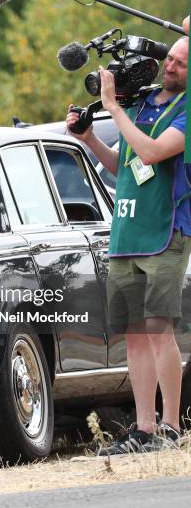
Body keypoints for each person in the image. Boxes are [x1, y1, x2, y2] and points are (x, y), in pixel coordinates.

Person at [66, 35, 190, 455]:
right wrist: (89, 138)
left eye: (180, 64)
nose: (169, 67)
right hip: (127, 231)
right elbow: (124, 164)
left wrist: (113, 108)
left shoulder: (186, 111)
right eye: (168, 58)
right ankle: (144, 428)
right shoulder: (144, 102)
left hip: (165, 232)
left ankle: (172, 427)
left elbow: (153, 152)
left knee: (158, 330)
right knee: (135, 335)